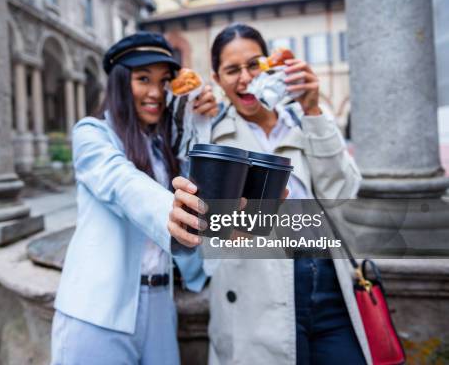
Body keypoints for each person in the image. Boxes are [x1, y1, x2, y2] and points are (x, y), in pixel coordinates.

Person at [168, 23, 373, 365]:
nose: (245, 78)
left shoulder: (302, 120)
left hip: (331, 289)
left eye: (254, 65)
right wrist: (187, 116)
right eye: (232, 70)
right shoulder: (211, 134)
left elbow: (343, 193)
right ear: (217, 80)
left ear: (271, 66)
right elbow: (206, 228)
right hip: (255, 299)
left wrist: (313, 110)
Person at [51, 31, 218, 365]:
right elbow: (120, 181)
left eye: (163, 81)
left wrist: (197, 122)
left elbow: (203, 197)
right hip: (98, 309)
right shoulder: (93, 133)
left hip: (161, 304)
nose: (155, 92)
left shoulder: (165, 145)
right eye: (143, 79)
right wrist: (169, 210)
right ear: (119, 82)